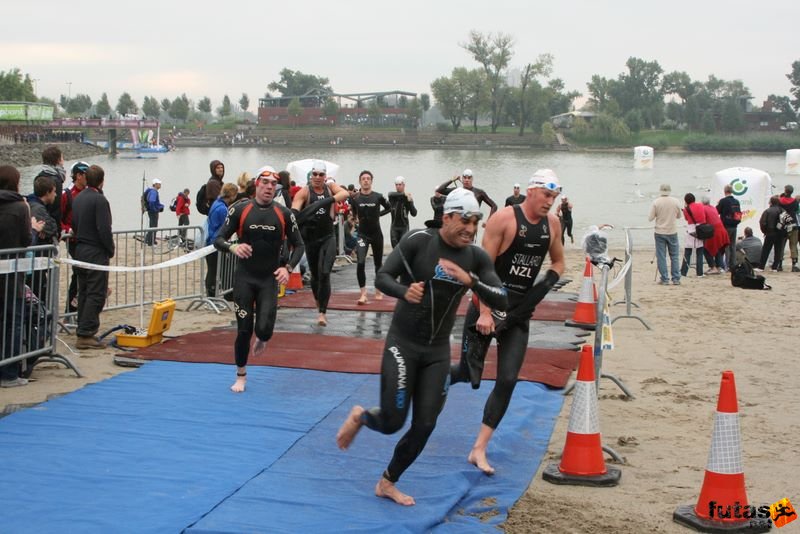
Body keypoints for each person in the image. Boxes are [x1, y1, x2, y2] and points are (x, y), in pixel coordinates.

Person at [336, 188, 508, 506]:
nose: (471, 229)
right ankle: (361, 417)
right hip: (403, 346)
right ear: (448, 217)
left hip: (437, 351)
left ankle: (387, 482)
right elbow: (383, 277)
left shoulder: (476, 257)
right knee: (392, 422)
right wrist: (403, 291)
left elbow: (502, 298)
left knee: (425, 425)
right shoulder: (419, 242)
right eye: (465, 221)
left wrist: (472, 282)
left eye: (476, 222)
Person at [450, 170, 566, 475]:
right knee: (467, 372)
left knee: (508, 380)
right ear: (531, 191)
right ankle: (423, 380)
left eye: (554, 198)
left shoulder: (552, 224)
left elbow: (558, 262)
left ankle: (479, 449)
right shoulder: (504, 219)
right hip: (486, 306)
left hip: (518, 315)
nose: (550, 203)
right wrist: (486, 312)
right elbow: (478, 271)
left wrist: (539, 292)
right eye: (546, 196)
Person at [214, 166, 305, 393]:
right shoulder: (240, 210)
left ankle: (263, 337)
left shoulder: (284, 214)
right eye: (265, 183)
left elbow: (299, 244)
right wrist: (233, 247)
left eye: (273, 185)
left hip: (268, 280)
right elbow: (218, 239)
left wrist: (289, 268)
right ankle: (241, 375)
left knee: (264, 329)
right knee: (244, 329)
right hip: (245, 277)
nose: (269, 188)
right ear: (257, 185)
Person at [291, 160, 349, 327]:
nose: (317, 177)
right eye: (314, 174)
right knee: (316, 276)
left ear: (325, 176)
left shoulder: (330, 188)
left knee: (325, 273)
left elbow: (344, 194)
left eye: (321, 174)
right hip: (311, 240)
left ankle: (322, 313)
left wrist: (322, 202)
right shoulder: (304, 192)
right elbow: (295, 209)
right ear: (311, 175)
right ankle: (318, 301)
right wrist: (293, 215)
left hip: (328, 237)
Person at [71, 165, 114, 350]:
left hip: (80, 249)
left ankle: (83, 327)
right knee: (96, 292)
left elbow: (74, 223)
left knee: (84, 291)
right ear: (102, 180)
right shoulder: (99, 200)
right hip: (95, 250)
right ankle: (86, 332)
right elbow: (104, 228)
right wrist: (110, 248)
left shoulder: (78, 198)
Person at [0, 165, 33, 387]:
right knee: (13, 321)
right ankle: (9, 373)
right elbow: (25, 240)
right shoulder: (20, 207)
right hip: (12, 272)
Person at [350, 170, 391, 304]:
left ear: (371, 181)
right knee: (360, 262)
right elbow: (354, 212)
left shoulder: (378, 197)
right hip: (362, 235)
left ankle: (378, 290)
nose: (366, 180)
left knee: (378, 264)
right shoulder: (355, 198)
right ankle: (363, 294)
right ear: (360, 181)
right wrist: (355, 219)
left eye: (368, 178)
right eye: (363, 179)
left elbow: (389, 208)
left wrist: (377, 215)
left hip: (376, 234)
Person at [61, 161, 89, 313]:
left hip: (88, 241)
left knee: (83, 273)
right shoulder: (67, 195)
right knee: (80, 272)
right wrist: (68, 230)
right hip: (73, 241)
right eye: (86, 175)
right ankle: (70, 309)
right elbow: (57, 218)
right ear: (78, 176)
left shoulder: (91, 192)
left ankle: (77, 307)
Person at [205, 184, 239, 297]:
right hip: (215, 242)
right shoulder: (222, 208)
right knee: (215, 270)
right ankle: (212, 294)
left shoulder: (217, 203)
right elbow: (226, 226)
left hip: (211, 240)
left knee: (213, 270)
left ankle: (213, 294)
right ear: (232, 195)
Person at [649, 184, 683, 285]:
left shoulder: (656, 202)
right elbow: (679, 216)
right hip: (672, 231)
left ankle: (664, 278)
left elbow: (650, 218)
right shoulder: (676, 201)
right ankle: (676, 278)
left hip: (659, 232)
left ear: (660, 191)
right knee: (674, 256)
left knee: (661, 256)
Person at [35, 145, 66, 237]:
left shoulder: (39, 176)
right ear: (58, 160)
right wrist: (57, 230)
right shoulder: (56, 180)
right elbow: (56, 207)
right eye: (62, 158)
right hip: (50, 227)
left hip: (39, 224)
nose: (63, 161)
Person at [701, 196, 730, 274]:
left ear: (702, 203)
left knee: (706, 249)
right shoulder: (713, 208)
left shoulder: (703, 209)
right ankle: (720, 267)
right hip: (722, 230)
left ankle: (713, 267)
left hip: (714, 231)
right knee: (718, 248)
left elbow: (702, 221)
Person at [716, 184, 742, 271]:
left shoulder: (723, 201)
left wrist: (718, 204)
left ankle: (726, 265)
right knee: (733, 245)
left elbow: (717, 211)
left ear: (725, 191)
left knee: (726, 245)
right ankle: (733, 265)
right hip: (734, 225)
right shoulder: (736, 201)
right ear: (732, 191)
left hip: (726, 226)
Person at [387, 176, 417, 248]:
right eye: (396, 185)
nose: (398, 186)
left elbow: (414, 213)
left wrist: (410, 202)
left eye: (400, 185)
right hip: (394, 227)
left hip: (404, 227)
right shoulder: (392, 197)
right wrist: (404, 194)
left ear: (404, 185)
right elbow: (389, 194)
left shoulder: (408, 198)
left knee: (403, 248)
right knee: (395, 249)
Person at [681, 192, 706, 278]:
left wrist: (685, 208)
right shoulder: (700, 205)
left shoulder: (686, 209)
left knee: (688, 252)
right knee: (700, 252)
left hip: (691, 230)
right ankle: (700, 273)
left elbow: (686, 218)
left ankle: (683, 272)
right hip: (701, 229)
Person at [759, 195, 784, 271]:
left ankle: (761, 267)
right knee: (778, 250)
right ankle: (775, 267)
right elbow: (788, 222)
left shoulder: (767, 211)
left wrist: (764, 231)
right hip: (780, 234)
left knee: (766, 250)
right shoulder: (783, 210)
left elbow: (762, 223)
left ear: (771, 202)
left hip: (770, 232)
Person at [779, 185, 799, 272]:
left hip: (783, 225)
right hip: (793, 224)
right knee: (793, 245)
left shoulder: (780, 201)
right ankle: (794, 264)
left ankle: (779, 264)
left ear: (785, 190)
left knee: (781, 245)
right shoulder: (795, 201)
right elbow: (796, 210)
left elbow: (779, 211)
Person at [144, 178, 164, 245]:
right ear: (155, 184)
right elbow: (152, 201)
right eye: (159, 184)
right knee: (153, 226)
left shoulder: (152, 191)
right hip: (153, 212)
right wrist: (155, 209)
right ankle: (150, 242)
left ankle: (149, 240)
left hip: (151, 211)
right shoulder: (153, 192)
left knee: (152, 225)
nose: (160, 185)